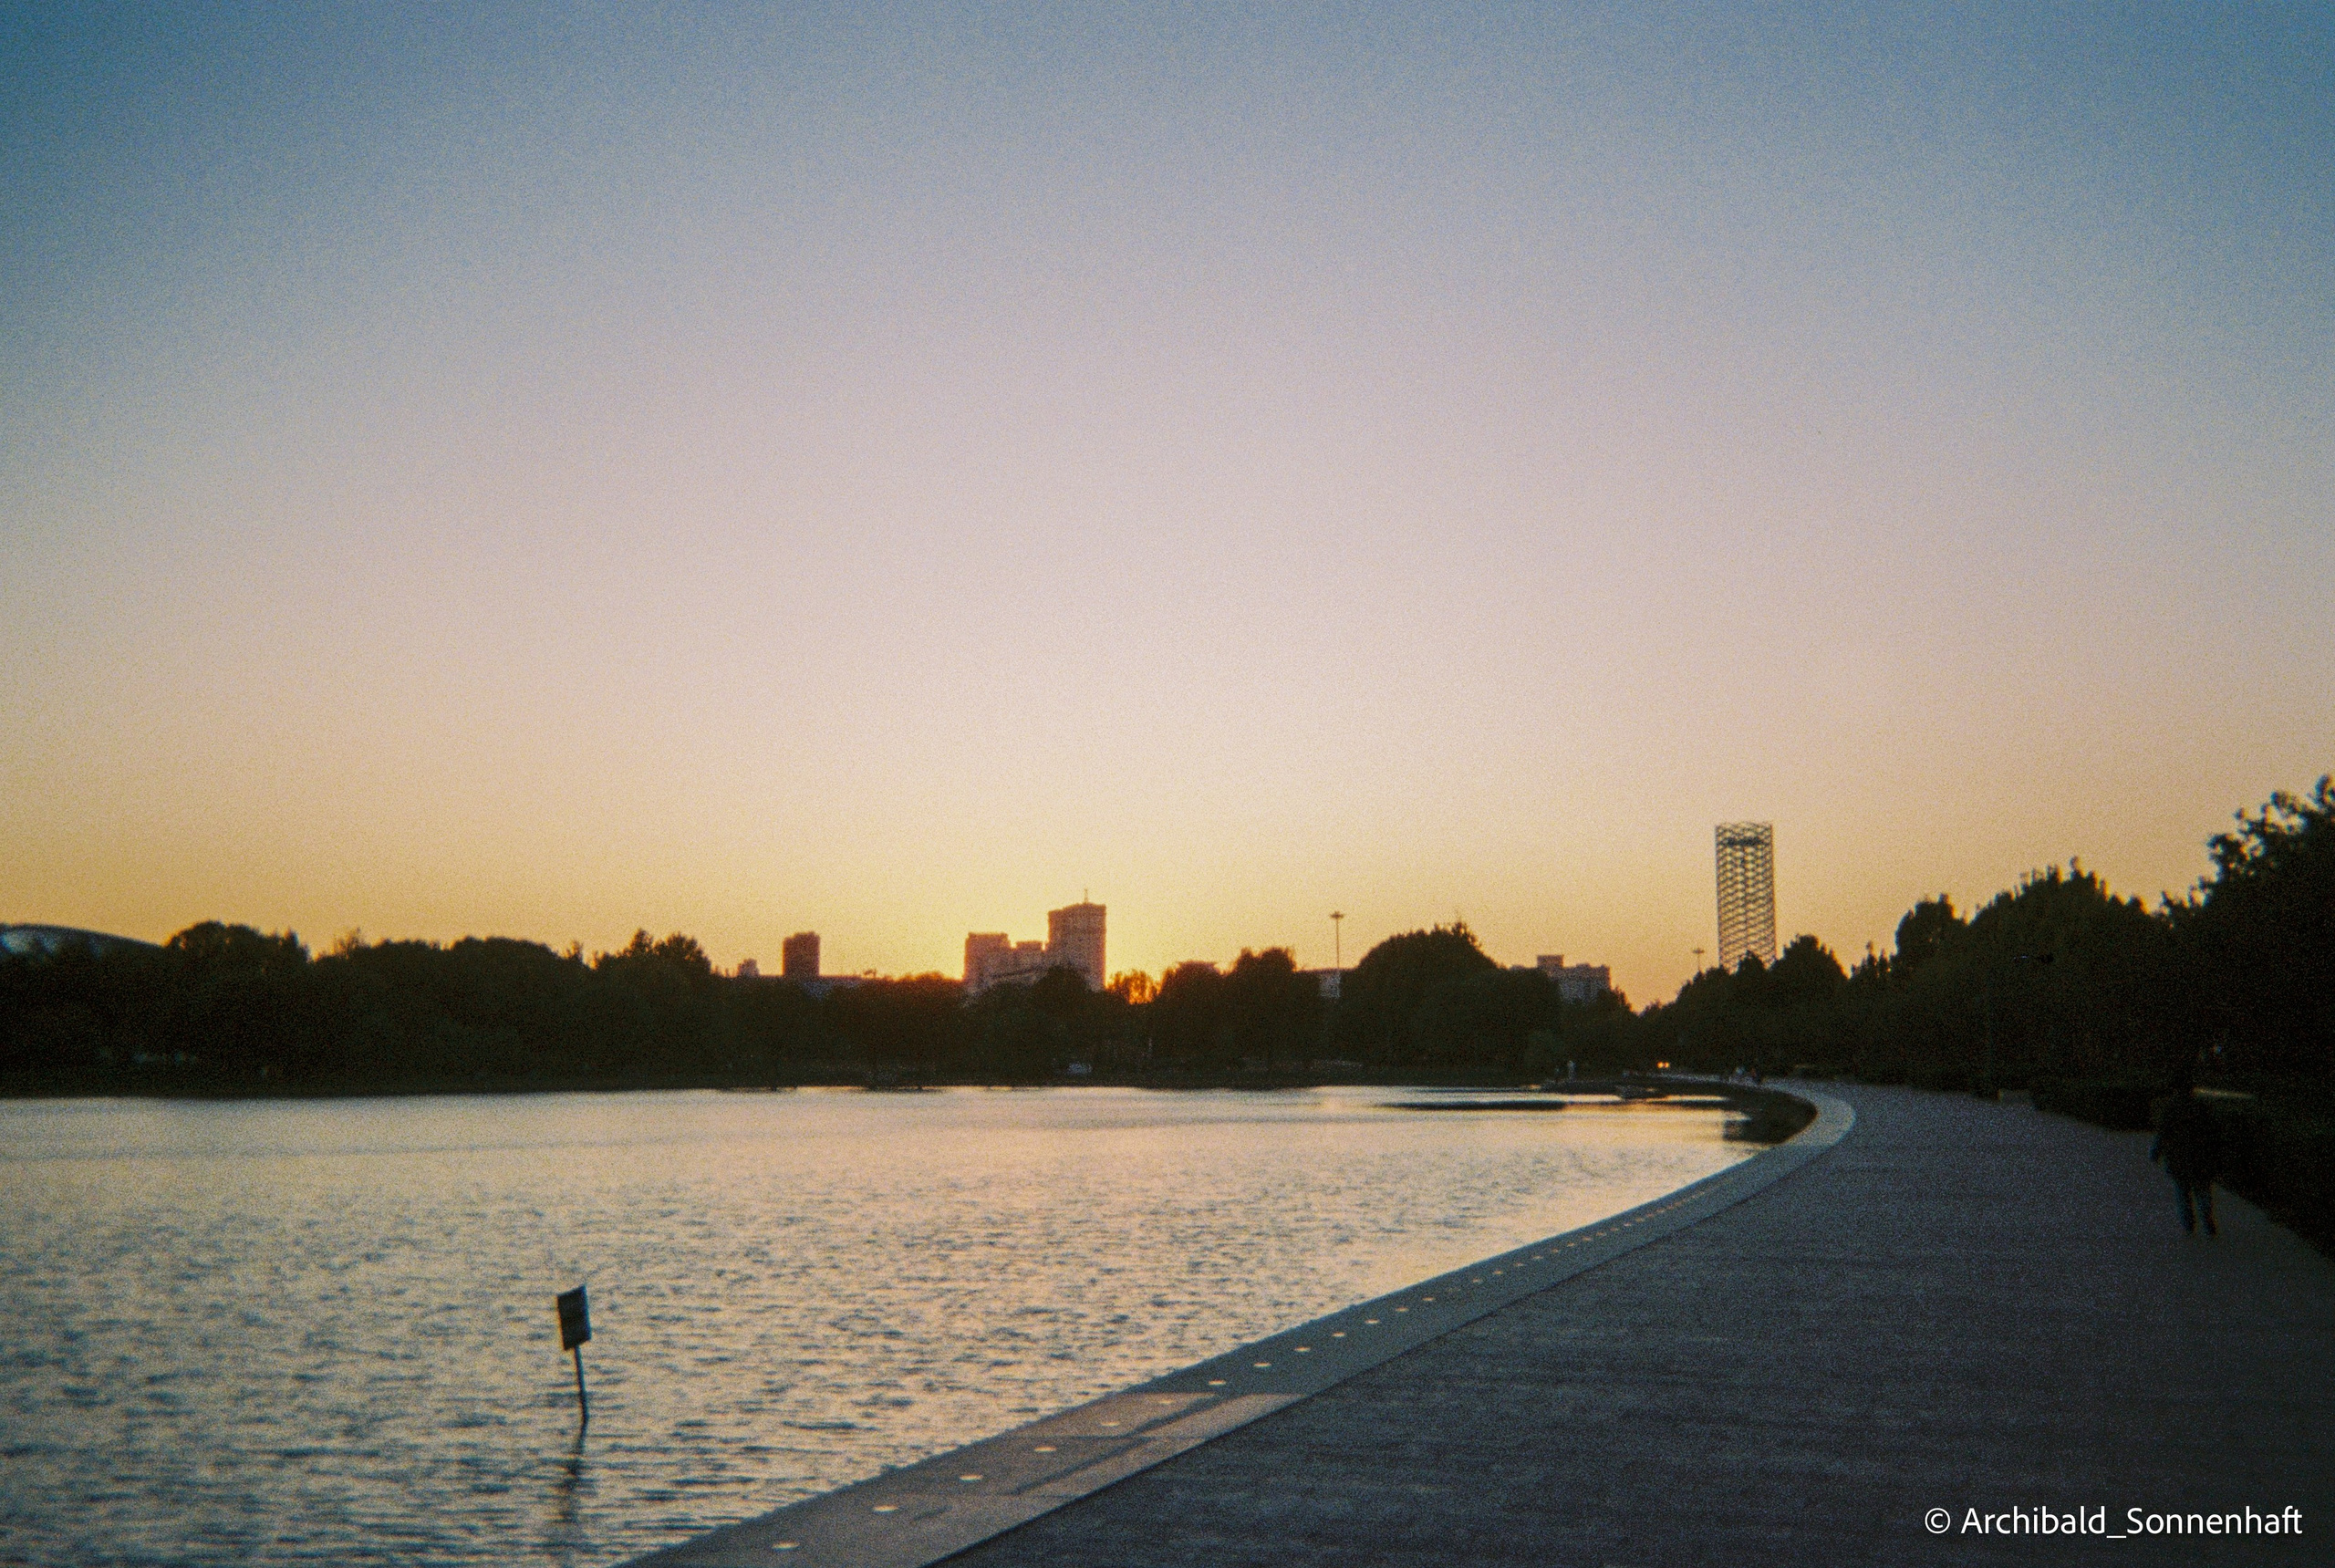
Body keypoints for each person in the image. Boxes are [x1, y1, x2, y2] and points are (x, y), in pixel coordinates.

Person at [2150, 1084, 2221, 1237]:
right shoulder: (2202, 1107)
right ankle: (2206, 1217)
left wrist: (2156, 1152)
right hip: (2200, 1156)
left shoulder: (2171, 1109)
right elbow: (2213, 1131)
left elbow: (2163, 1132)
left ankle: (2189, 1223)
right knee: (2202, 1190)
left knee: (2183, 1192)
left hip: (2178, 1157)